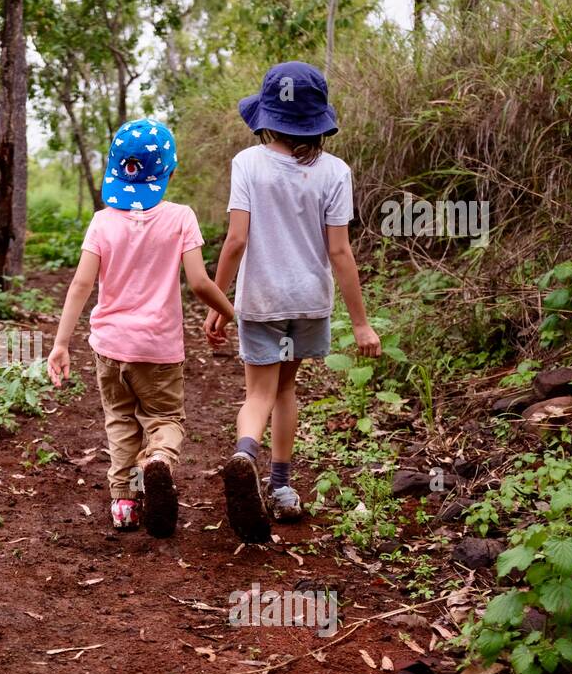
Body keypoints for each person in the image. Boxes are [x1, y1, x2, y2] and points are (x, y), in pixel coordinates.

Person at [205, 62, 381, 544]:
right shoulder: (335, 172)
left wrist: (218, 302)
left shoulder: (248, 163)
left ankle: (244, 454)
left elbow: (236, 241)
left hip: (260, 300)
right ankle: (280, 488)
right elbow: (340, 252)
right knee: (286, 391)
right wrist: (362, 324)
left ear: (266, 117)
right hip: (308, 302)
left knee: (257, 393)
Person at [48, 119, 235, 538]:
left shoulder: (101, 222)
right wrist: (229, 311)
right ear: (169, 171)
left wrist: (61, 344)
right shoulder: (181, 218)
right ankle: (159, 463)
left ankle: (125, 504)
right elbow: (200, 283)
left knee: (120, 420)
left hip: (110, 347)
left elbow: (81, 284)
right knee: (164, 416)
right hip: (159, 348)